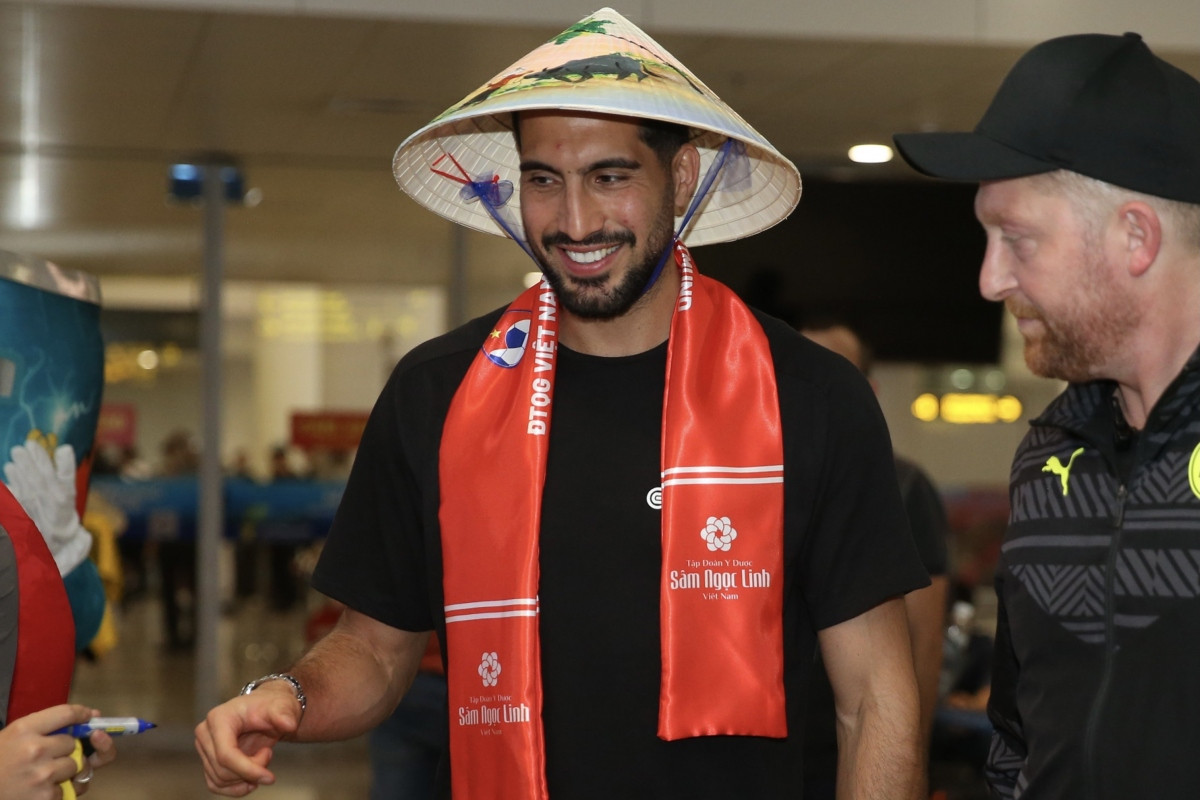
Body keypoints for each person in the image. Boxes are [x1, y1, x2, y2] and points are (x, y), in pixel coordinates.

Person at [196, 9, 929, 798]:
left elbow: (875, 699)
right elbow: (375, 648)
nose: (575, 221)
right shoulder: (438, 393)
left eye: (610, 177)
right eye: (544, 180)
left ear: (681, 178)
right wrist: (289, 697)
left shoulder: (808, 398)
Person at [893, 31, 1200, 799]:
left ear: (1136, 237)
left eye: (1018, 239)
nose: (990, 279)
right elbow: (1018, 738)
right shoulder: (1050, 455)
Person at [801, 321, 950, 799]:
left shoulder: (905, 487)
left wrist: (911, 765)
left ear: (866, 389)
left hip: (853, 750)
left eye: (830, 371)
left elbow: (924, 639)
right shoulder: (753, 479)